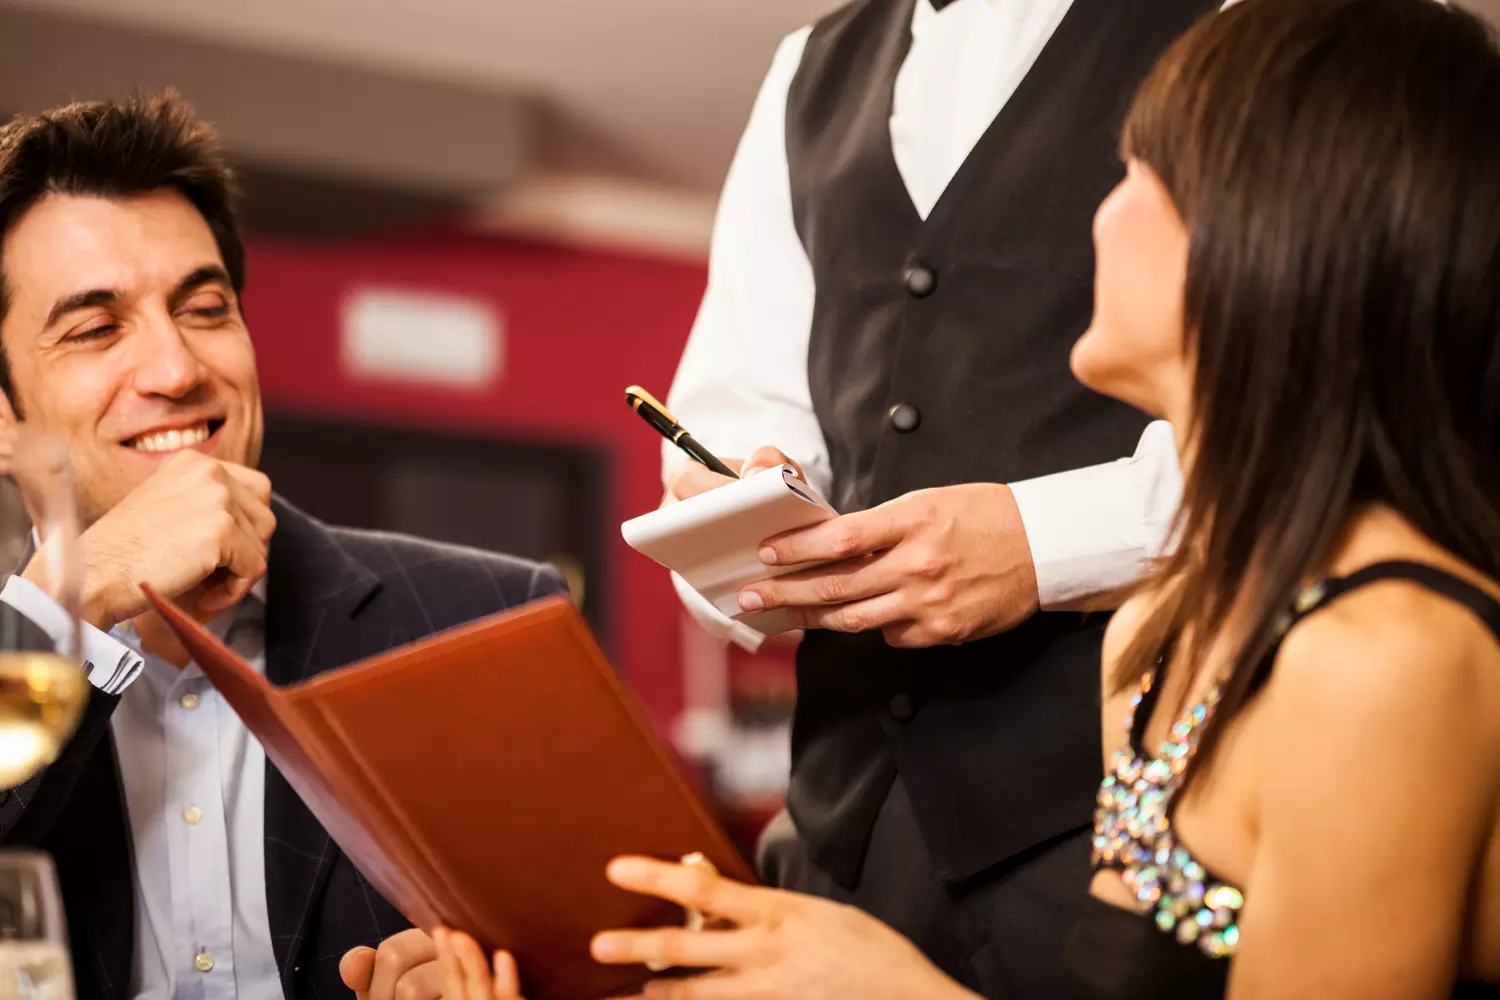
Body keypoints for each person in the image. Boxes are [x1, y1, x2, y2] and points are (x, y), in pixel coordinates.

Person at [434, 0, 1500, 997]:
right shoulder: (1150, 652)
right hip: (842, 835)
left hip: (1050, 826)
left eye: (1136, 172)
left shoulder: (1379, 663)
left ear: (1283, 244)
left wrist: (1043, 541)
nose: (1095, 215)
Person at [658, 0, 1221, 994]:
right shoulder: (806, 72)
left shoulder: (1264, 25)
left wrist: (1046, 543)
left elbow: (1336, 416)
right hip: (838, 826)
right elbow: (741, 411)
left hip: (1124, 824)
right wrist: (742, 526)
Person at [0, 92, 565, 1000]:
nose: (180, 369)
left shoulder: (495, 617)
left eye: (207, 307)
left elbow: (630, 967)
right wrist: (84, 585)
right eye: (97, 328)